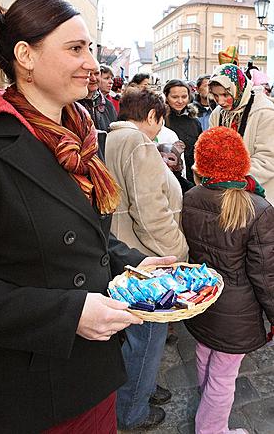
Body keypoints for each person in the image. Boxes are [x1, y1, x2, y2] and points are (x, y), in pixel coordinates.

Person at [0, 0, 177, 434]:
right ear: (26, 57)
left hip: (93, 376)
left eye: (91, 50)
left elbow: (85, 236)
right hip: (27, 395)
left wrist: (135, 265)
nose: (92, 64)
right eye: (75, 49)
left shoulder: (81, 139)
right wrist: (69, 314)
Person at [105, 87, 188, 431]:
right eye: (159, 120)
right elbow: (150, 212)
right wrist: (178, 252)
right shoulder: (138, 142)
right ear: (152, 116)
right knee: (148, 339)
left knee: (138, 338)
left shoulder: (113, 137)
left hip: (126, 249)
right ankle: (133, 411)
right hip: (147, 258)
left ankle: (142, 390)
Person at [182, 126, 274, 434]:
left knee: (204, 354)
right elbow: (266, 276)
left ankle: (205, 405)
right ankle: (211, 429)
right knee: (223, 376)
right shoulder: (258, 208)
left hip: (203, 299)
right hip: (237, 311)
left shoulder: (192, 196)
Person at [209, 63, 274, 205]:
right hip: (225, 196)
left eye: (226, 94)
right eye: (215, 95)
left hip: (260, 199)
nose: (220, 101)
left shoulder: (265, 113)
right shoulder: (218, 114)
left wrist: (229, 176)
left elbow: (267, 160)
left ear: (238, 89)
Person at [163, 79, 202, 183]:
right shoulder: (160, 121)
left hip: (191, 177)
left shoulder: (194, 122)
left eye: (184, 97)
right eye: (175, 97)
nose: (180, 101)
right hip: (168, 178)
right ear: (166, 97)